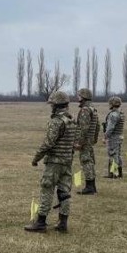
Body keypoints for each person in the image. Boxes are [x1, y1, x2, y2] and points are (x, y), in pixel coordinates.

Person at [25, 90, 77, 233]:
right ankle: (63, 222)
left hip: (54, 162)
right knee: (64, 192)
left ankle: (41, 222)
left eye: (52, 105)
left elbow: (48, 143)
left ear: (56, 106)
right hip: (67, 161)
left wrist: (36, 158)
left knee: (47, 189)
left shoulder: (56, 121)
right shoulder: (72, 120)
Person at [75, 88, 101, 195]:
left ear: (83, 97)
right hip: (89, 140)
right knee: (89, 161)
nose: (78, 97)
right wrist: (94, 139)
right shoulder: (92, 109)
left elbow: (83, 128)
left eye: (79, 95)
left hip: (85, 140)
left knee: (86, 162)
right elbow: (98, 126)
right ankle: (92, 186)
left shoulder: (85, 110)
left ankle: (89, 187)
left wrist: (79, 142)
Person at [104, 96, 125, 178]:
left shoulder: (113, 115)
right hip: (119, 136)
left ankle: (113, 173)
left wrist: (105, 136)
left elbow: (110, 128)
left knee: (113, 155)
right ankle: (119, 173)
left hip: (113, 137)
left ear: (112, 104)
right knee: (118, 155)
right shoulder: (120, 113)